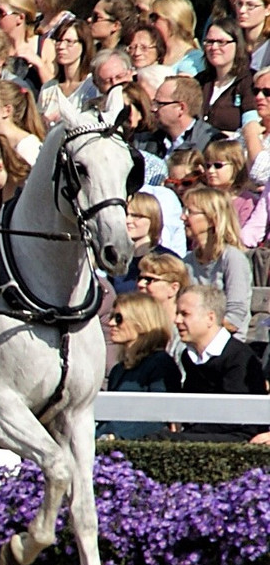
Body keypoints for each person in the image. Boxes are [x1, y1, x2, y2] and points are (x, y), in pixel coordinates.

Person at [157, 285, 267, 443]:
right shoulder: (189, 357)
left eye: (185, 314)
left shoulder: (238, 357)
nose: (177, 320)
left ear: (210, 318)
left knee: (163, 440)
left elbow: (236, 417)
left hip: (236, 436)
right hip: (201, 431)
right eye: (177, 314)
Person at [97, 292, 178, 441]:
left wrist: (116, 437)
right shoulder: (118, 370)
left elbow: (159, 417)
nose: (111, 323)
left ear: (141, 323)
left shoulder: (160, 364)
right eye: (111, 317)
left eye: (119, 318)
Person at [180, 185, 252, 331]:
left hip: (226, 344)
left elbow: (235, 318)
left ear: (212, 219)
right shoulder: (187, 262)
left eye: (190, 212)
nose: (183, 217)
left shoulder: (232, 259)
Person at [139, 75, 219, 157]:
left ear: (181, 108)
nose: (153, 109)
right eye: (154, 103)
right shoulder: (145, 142)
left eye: (159, 104)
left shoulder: (211, 144)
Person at [195, 16, 249, 134]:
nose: (214, 47)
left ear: (237, 44)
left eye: (221, 42)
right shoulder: (199, 81)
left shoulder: (249, 82)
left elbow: (252, 125)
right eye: (209, 42)